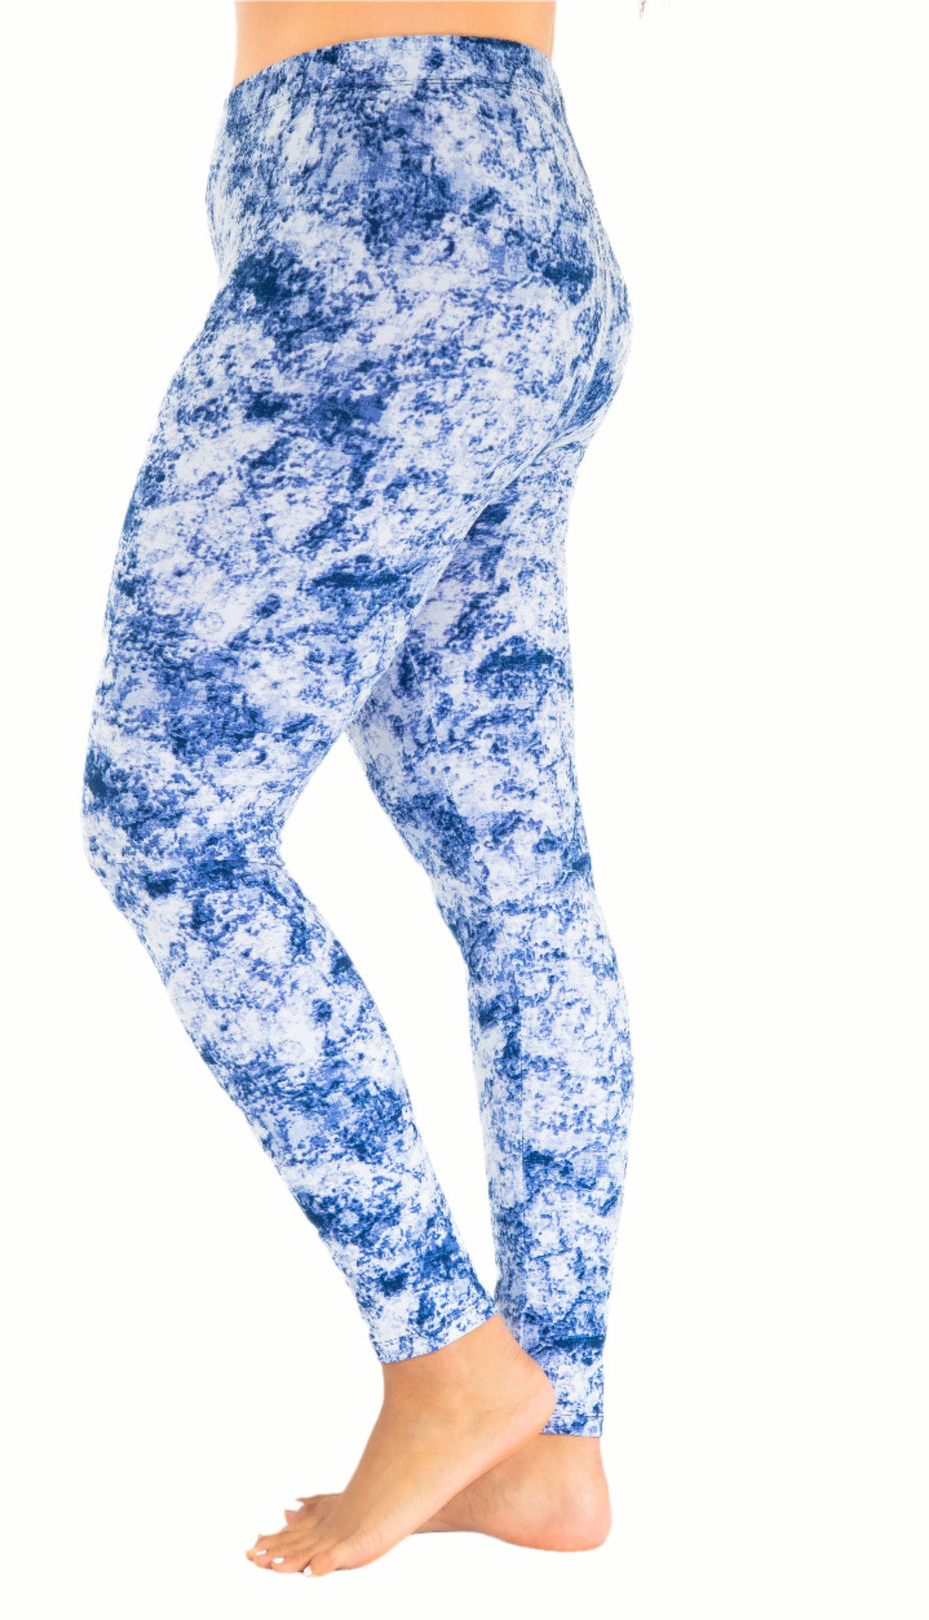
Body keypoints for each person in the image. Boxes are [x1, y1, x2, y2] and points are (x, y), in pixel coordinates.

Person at [81, 0, 635, 1578]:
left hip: (375, 220)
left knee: (167, 824)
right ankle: (554, 1440)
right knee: (521, 882)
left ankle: (445, 1352)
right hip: (525, 217)